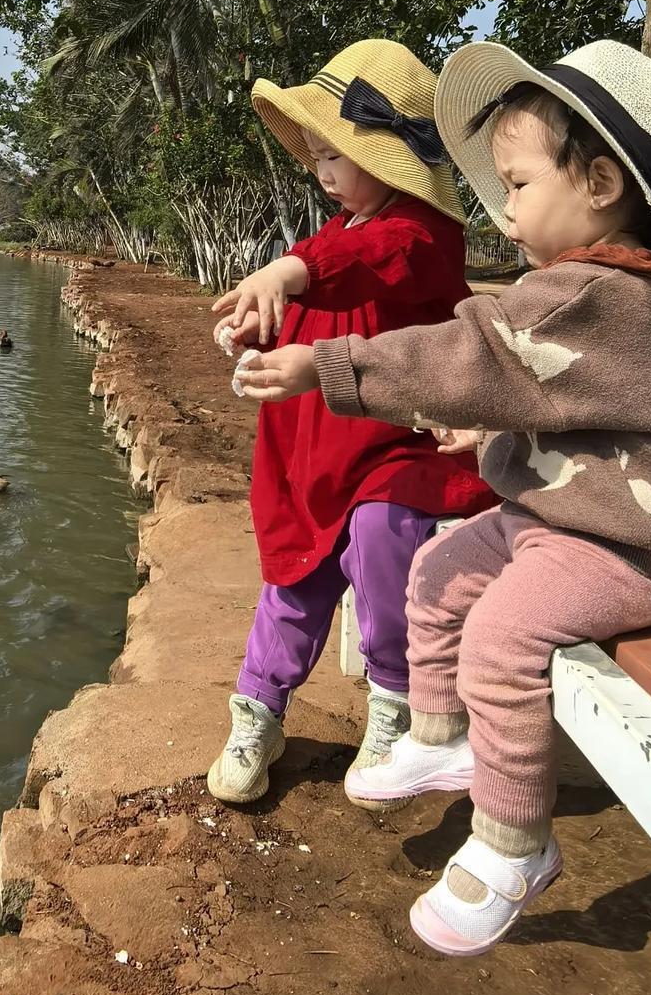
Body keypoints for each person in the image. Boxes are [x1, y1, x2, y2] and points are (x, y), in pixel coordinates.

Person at [236, 38, 651, 956]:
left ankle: (515, 840)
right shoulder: (595, 289)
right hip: (581, 514)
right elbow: (566, 405)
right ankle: (437, 732)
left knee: (504, 632)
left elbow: (476, 350)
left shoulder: (588, 296)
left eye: (515, 183)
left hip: (643, 540)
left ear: (596, 183)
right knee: (438, 566)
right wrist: (494, 433)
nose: (503, 209)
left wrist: (327, 366)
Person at [206, 39, 494, 807]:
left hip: (399, 445)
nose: (320, 168)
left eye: (335, 152)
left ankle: (397, 701)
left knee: (380, 535)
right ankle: (258, 709)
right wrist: (250, 327)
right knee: (293, 578)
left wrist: (288, 270)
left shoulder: (425, 237)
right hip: (311, 448)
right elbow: (305, 294)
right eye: (317, 155)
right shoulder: (332, 235)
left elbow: (372, 263)